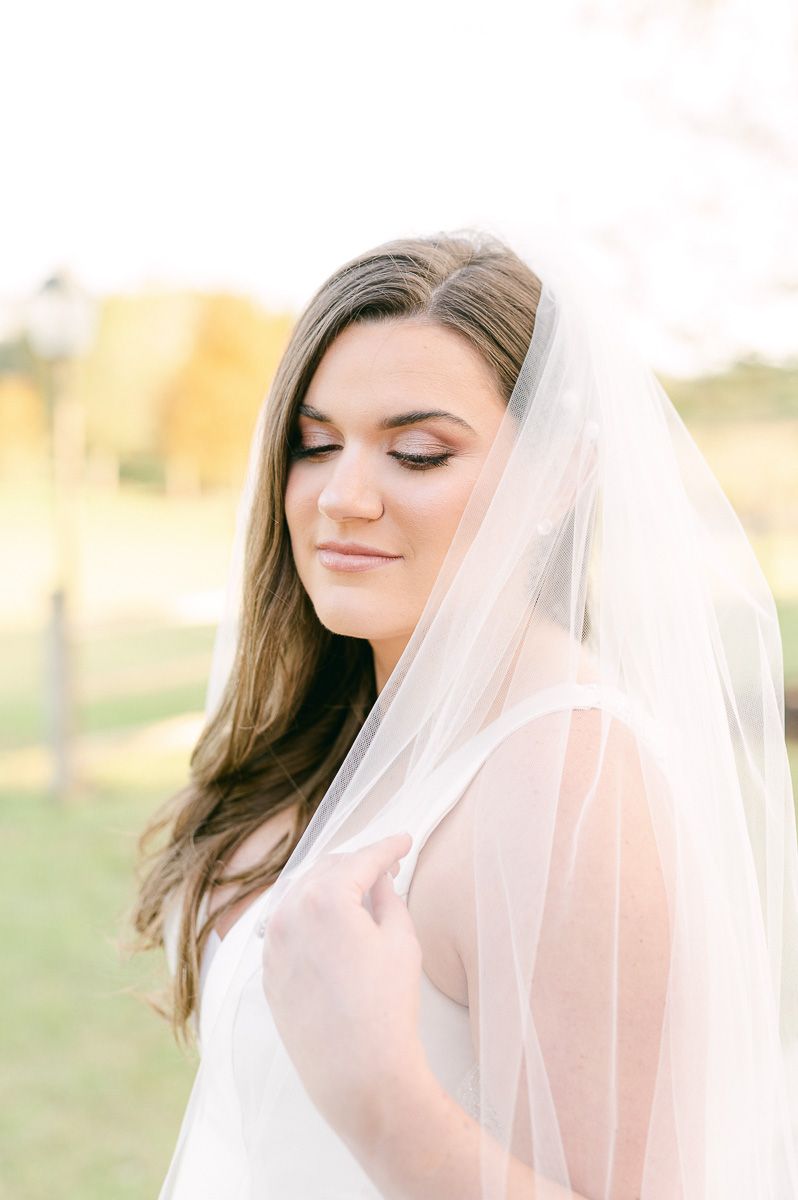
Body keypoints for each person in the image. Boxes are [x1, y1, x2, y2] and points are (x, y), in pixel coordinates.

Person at [131, 231, 798, 1198]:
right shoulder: (351, 723)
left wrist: (380, 1093)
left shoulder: (569, 781)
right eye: (315, 444)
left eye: (416, 452)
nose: (342, 498)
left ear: (560, 478)